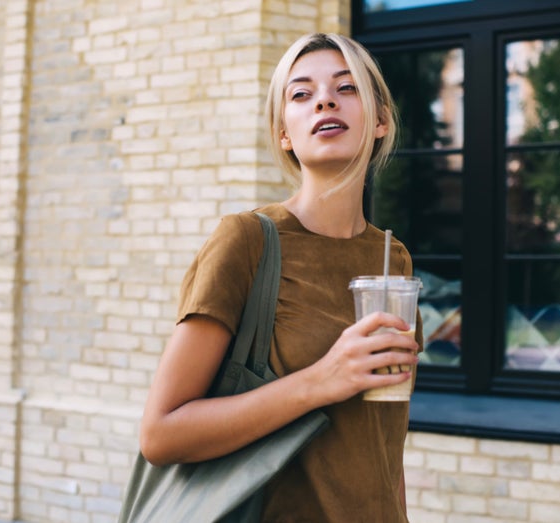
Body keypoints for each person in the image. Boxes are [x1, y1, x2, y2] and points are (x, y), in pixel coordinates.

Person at [139, 33, 422, 522]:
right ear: (284, 133)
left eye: (347, 87)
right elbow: (161, 435)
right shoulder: (247, 240)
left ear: (380, 120)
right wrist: (322, 380)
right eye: (301, 94)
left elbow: (384, 439)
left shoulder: (392, 260)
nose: (325, 100)